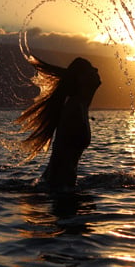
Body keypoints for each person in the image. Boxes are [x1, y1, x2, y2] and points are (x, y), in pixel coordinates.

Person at [16, 56, 101, 190]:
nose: (96, 69)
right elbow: (61, 154)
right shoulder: (74, 109)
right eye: (89, 68)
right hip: (58, 186)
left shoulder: (81, 105)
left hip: (60, 185)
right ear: (81, 79)